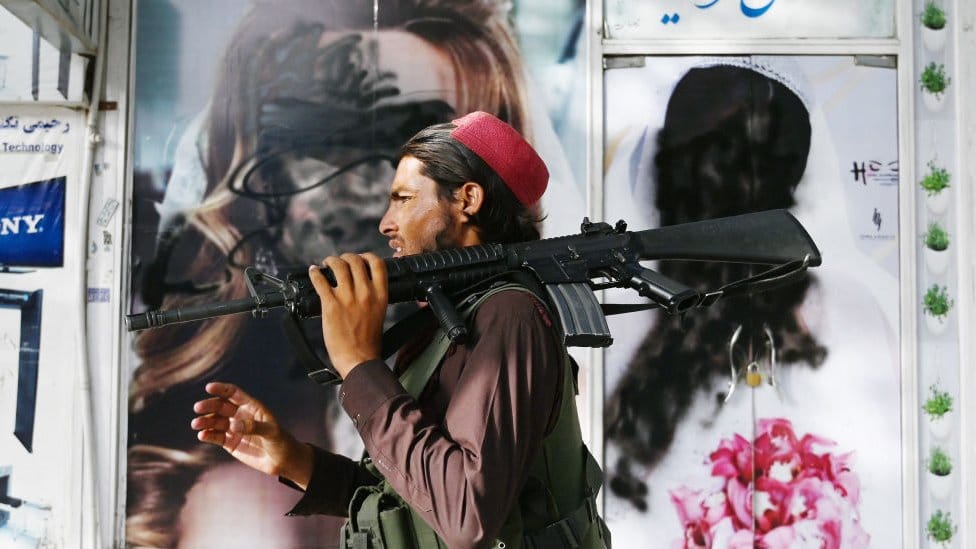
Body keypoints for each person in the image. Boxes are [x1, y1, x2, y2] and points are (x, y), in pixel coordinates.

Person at [190, 111, 610, 549]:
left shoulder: (509, 314)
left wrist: (358, 364)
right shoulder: (451, 321)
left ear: (467, 200)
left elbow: (467, 515)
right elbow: (410, 494)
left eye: (404, 198)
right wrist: (294, 460)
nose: (386, 223)